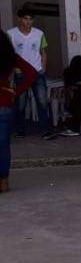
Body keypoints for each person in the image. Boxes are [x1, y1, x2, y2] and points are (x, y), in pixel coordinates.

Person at [0, 30, 38, 193]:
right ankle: (3, 181)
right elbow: (32, 73)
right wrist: (16, 91)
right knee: (3, 145)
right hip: (5, 103)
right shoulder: (9, 57)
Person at [6, 8, 52, 139]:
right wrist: (14, 69)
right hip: (21, 74)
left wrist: (43, 68)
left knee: (42, 102)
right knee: (20, 103)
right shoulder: (11, 34)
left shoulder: (39, 33)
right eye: (26, 18)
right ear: (19, 19)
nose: (28, 22)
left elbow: (43, 52)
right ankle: (20, 129)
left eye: (31, 19)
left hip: (37, 72)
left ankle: (45, 130)